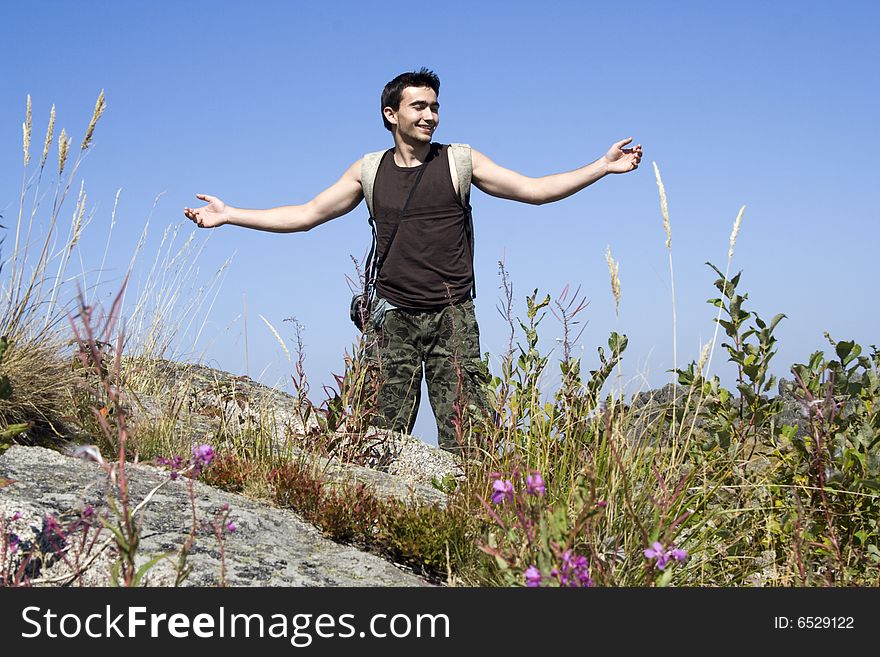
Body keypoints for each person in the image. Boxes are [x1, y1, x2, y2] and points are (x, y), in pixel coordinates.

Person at [184, 68, 642, 454]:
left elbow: (535, 191)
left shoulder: (459, 161)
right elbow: (306, 215)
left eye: (434, 107)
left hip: (453, 317)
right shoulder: (368, 170)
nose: (430, 115)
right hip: (392, 320)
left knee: (471, 443)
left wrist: (600, 166)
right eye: (419, 106)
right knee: (376, 440)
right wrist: (230, 215)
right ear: (392, 114)